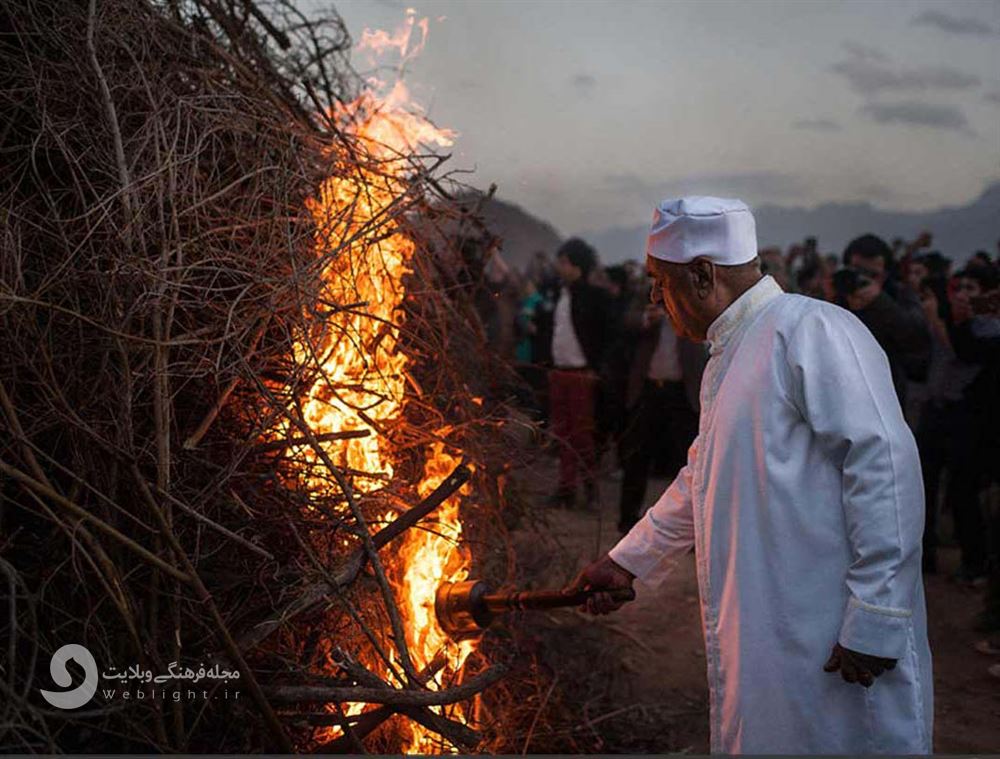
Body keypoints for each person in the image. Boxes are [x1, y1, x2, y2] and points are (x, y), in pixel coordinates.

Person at [569, 196, 932, 754]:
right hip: (769, 633)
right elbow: (702, 477)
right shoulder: (731, 352)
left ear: (702, 274)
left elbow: (883, 463)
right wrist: (626, 561)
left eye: (658, 282)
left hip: (831, 631)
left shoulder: (811, 329)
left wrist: (879, 613)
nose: (653, 299)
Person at [546, 238, 610, 507]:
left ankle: (590, 488)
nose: (559, 267)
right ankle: (566, 488)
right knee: (562, 433)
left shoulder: (593, 297)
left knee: (582, 435)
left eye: (564, 262)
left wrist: (598, 368)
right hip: (559, 372)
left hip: (582, 374)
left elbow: (605, 336)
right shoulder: (558, 294)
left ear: (576, 266)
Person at [838, 234, 931, 406]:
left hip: (887, 394)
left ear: (885, 274)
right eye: (857, 271)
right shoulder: (836, 296)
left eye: (872, 274)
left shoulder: (899, 295)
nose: (863, 279)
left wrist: (880, 302)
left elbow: (917, 339)